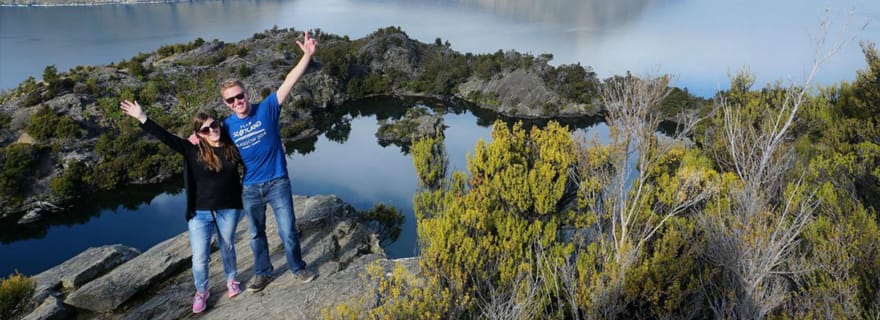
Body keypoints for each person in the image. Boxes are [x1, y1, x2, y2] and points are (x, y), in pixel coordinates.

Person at [120, 100, 244, 314]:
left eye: (214, 125)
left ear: (219, 124)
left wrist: (277, 148)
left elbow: (254, 153)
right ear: (199, 134)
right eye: (205, 129)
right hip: (201, 213)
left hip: (229, 208)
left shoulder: (232, 146)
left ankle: (231, 280)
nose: (212, 130)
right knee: (200, 257)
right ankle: (202, 291)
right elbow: (166, 137)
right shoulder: (192, 150)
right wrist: (142, 117)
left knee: (228, 247)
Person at [219, 29, 318, 292]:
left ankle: (297, 267)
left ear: (247, 93)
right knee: (255, 234)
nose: (237, 101)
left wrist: (307, 56)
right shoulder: (226, 126)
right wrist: (195, 137)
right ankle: (263, 273)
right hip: (250, 187)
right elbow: (207, 136)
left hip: (277, 182)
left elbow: (289, 81)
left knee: (288, 230)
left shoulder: (267, 108)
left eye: (240, 96)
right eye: (231, 100)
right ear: (226, 104)